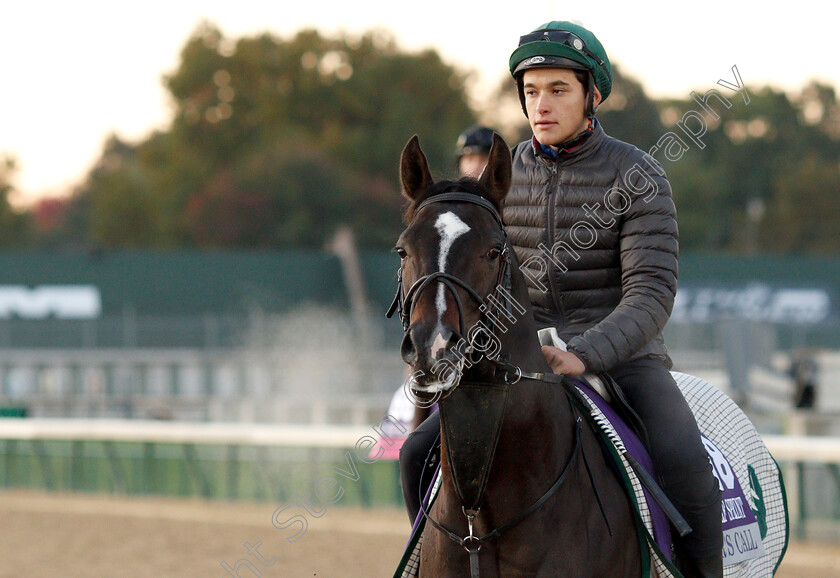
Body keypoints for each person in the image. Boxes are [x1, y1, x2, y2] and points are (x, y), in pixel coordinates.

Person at [503, 21, 722, 577]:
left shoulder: (639, 174)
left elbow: (650, 296)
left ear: (592, 95)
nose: (541, 104)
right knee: (415, 455)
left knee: (686, 466)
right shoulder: (499, 176)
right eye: (531, 91)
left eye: (558, 89)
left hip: (625, 360)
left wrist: (583, 354)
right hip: (522, 363)